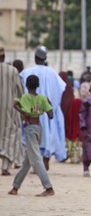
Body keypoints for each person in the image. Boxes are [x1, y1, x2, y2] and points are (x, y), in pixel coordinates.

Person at [19, 46, 67, 170]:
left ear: (35, 58)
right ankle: (45, 162)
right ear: (45, 58)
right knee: (48, 136)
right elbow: (60, 89)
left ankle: (36, 165)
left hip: (31, 113)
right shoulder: (52, 73)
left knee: (33, 139)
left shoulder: (26, 72)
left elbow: (20, 91)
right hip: (48, 111)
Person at [8, 75, 55, 197]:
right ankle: (15, 187)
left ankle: (48, 187)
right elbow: (50, 115)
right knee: (27, 161)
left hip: (30, 129)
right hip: (39, 129)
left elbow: (27, 114)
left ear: (27, 86)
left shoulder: (25, 98)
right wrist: (48, 103)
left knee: (36, 159)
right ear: (38, 85)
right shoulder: (42, 98)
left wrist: (17, 107)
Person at [0, 46, 24, 175]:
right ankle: (5, 167)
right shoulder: (12, 71)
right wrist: (22, 108)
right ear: (3, 57)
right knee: (11, 135)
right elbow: (20, 92)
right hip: (9, 109)